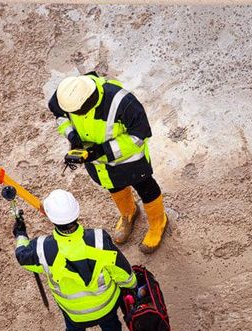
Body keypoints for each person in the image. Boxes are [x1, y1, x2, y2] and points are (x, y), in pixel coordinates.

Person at [13, 189, 139, 331]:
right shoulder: (99, 239)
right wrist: (132, 287)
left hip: (73, 311)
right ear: (77, 212)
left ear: (50, 217)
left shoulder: (41, 249)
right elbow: (123, 272)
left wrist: (21, 235)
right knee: (111, 326)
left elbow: (23, 257)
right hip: (106, 305)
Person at [48, 72, 168, 253]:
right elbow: (60, 116)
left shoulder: (123, 102)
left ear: (89, 100)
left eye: (77, 112)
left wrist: (101, 151)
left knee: (146, 188)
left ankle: (158, 222)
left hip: (130, 160)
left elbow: (139, 136)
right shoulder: (66, 96)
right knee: (113, 185)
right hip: (99, 164)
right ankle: (129, 212)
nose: (75, 115)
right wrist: (72, 135)